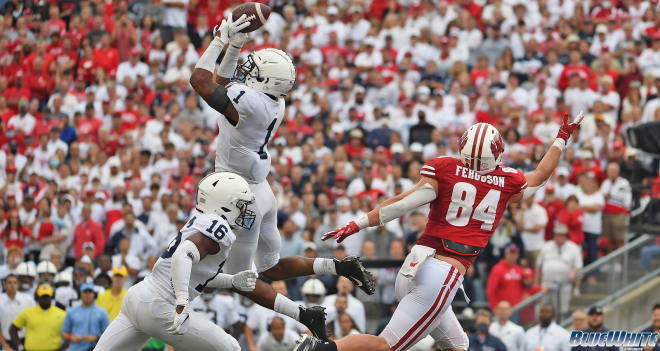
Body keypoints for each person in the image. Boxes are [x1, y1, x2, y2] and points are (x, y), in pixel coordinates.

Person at [296, 115, 583, 351]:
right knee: (386, 345)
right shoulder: (507, 181)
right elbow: (541, 175)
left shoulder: (444, 167)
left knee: (459, 344)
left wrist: (357, 223)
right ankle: (322, 348)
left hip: (414, 267)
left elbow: (403, 204)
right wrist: (561, 137)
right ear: (497, 152)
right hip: (443, 276)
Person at [189, 15, 374, 341]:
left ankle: (304, 314)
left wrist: (220, 39)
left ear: (265, 81)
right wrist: (235, 44)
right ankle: (340, 267)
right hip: (261, 192)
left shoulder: (252, 103)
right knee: (271, 268)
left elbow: (203, 82)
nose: (249, 70)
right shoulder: (274, 102)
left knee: (242, 280)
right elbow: (224, 82)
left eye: (255, 70)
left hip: (237, 196)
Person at [95, 172, 259, 351]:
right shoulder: (219, 225)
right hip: (161, 304)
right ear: (225, 204)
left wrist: (231, 281)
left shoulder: (202, 220)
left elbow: (195, 274)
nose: (244, 211)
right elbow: (183, 254)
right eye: (241, 205)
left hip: (138, 296)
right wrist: (182, 301)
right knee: (230, 348)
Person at [535, 224, 583, 313]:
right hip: (546, 284)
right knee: (544, 309)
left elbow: (579, 266)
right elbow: (539, 266)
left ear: (566, 236)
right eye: (557, 235)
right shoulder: (546, 246)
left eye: (562, 235)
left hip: (564, 284)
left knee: (561, 310)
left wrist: (574, 273)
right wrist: (537, 284)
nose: (559, 237)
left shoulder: (573, 248)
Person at [10, 284, 66, 351]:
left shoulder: (62, 314)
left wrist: (62, 348)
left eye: (47, 296)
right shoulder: (27, 312)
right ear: (37, 297)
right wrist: (20, 347)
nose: (45, 298)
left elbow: (71, 332)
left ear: (52, 296)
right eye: (42, 296)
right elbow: (12, 329)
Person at [61, 283, 110, 351]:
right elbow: (64, 332)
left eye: (90, 292)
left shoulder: (102, 312)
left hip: (96, 348)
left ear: (93, 294)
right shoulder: (71, 311)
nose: (87, 295)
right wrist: (72, 337)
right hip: (76, 348)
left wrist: (96, 338)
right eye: (85, 292)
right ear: (80, 294)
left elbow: (108, 334)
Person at [0, 274, 35, 351]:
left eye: (15, 283)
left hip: (26, 341)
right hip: (7, 342)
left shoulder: (28, 299)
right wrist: (5, 346)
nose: (12, 285)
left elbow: (35, 320)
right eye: (9, 283)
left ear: (18, 285)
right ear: (4, 285)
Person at [486, 244, 525, 310]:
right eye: (510, 253)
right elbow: (490, 291)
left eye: (515, 253)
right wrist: (494, 307)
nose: (512, 255)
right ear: (506, 254)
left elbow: (528, 285)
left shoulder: (520, 269)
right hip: (503, 309)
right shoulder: (497, 269)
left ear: (518, 255)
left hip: (517, 308)